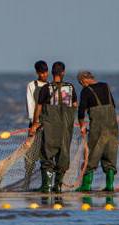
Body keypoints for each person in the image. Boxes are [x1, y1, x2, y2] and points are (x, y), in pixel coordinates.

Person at [29, 61, 77, 193]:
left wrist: (35, 124)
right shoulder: (71, 87)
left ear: (52, 72)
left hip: (49, 128)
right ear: (63, 72)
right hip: (66, 128)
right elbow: (74, 105)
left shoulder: (46, 88)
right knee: (63, 155)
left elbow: (38, 108)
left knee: (46, 156)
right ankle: (58, 186)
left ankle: (47, 187)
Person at [76, 70, 119, 193]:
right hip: (112, 125)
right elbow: (113, 105)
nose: (82, 85)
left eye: (81, 83)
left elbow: (81, 111)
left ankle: (86, 186)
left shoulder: (86, 91)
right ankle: (110, 186)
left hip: (97, 127)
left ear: (84, 80)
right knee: (110, 154)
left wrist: (82, 126)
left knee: (92, 154)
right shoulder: (105, 86)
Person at [21, 60, 49, 190]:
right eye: (42, 73)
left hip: (49, 124)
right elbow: (30, 104)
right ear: (37, 73)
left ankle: (46, 184)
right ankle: (27, 181)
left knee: (47, 153)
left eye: (46, 72)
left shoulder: (51, 85)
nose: (44, 75)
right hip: (35, 124)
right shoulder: (32, 85)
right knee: (31, 155)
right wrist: (34, 123)